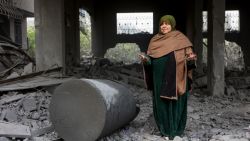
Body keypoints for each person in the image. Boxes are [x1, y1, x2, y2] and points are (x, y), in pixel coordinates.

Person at [139, 15, 196, 140]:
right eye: (161, 24)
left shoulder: (181, 39)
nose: (164, 26)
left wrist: (191, 60)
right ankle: (164, 131)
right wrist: (146, 60)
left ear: (172, 25)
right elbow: (150, 61)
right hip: (159, 79)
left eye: (167, 23)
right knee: (162, 104)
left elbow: (190, 62)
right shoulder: (154, 41)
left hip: (177, 79)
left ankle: (177, 130)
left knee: (176, 103)